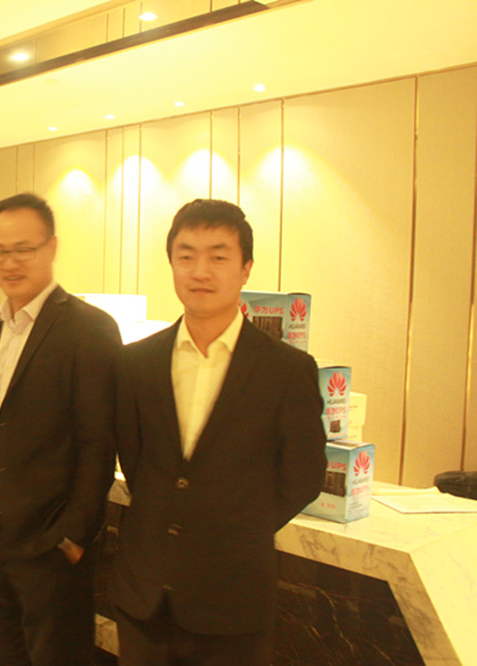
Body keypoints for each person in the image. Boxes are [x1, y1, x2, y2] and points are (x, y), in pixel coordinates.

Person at [112, 199, 327, 665]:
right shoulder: (135, 363)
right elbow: (137, 462)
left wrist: (236, 528)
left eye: (218, 256)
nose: (200, 271)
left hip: (233, 600)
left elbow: (304, 477)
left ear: (246, 269)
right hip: (143, 595)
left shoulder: (287, 370)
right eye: (186, 256)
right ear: (171, 263)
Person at [0, 193, 122, 665]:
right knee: (6, 654)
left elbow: (98, 443)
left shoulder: (89, 329)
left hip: (49, 543)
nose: (9, 262)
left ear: (51, 247)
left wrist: (72, 538)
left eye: (23, 249)